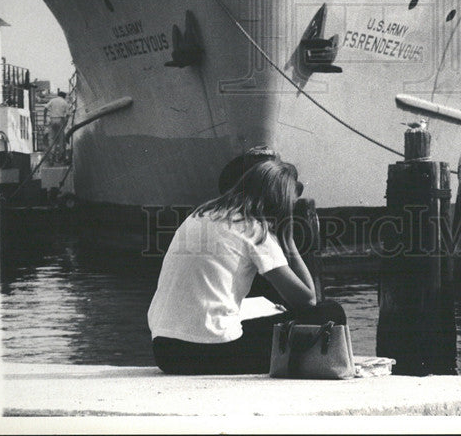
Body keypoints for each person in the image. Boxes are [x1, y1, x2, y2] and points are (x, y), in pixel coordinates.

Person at [148, 158, 345, 375]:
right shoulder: (254, 230)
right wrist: (288, 242)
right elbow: (308, 300)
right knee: (329, 313)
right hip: (207, 353)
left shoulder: (198, 216)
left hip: (165, 351)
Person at [44, 91, 70, 163]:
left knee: (52, 139)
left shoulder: (52, 100)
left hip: (52, 119)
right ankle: (61, 158)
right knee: (61, 139)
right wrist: (65, 124)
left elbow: (45, 108)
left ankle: (51, 157)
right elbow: (67, 115)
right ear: (64, 96)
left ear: (58, 95)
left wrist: (44, 119)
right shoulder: (65, 102)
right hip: (60, 120)